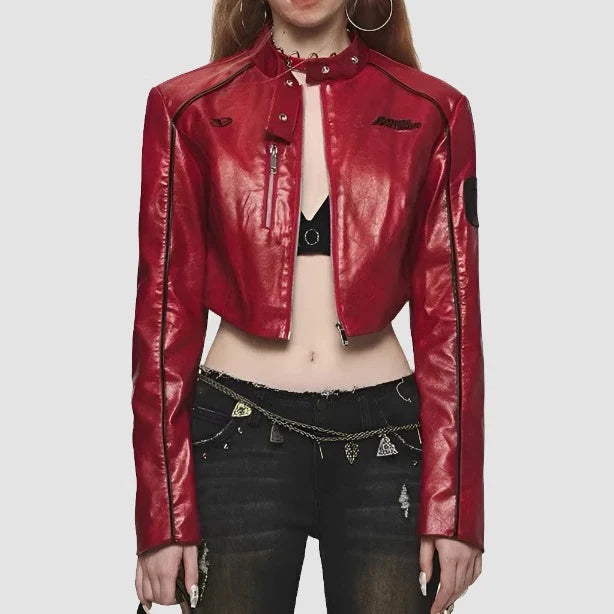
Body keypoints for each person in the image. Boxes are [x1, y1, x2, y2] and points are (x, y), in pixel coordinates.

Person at [131, 1, 485, 613]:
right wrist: (162, 513)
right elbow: (163, 316)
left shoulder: (433, 111)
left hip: (385, 442)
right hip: (236, 434)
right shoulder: (187, 108)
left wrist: (454, 507)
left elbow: (451, 316)